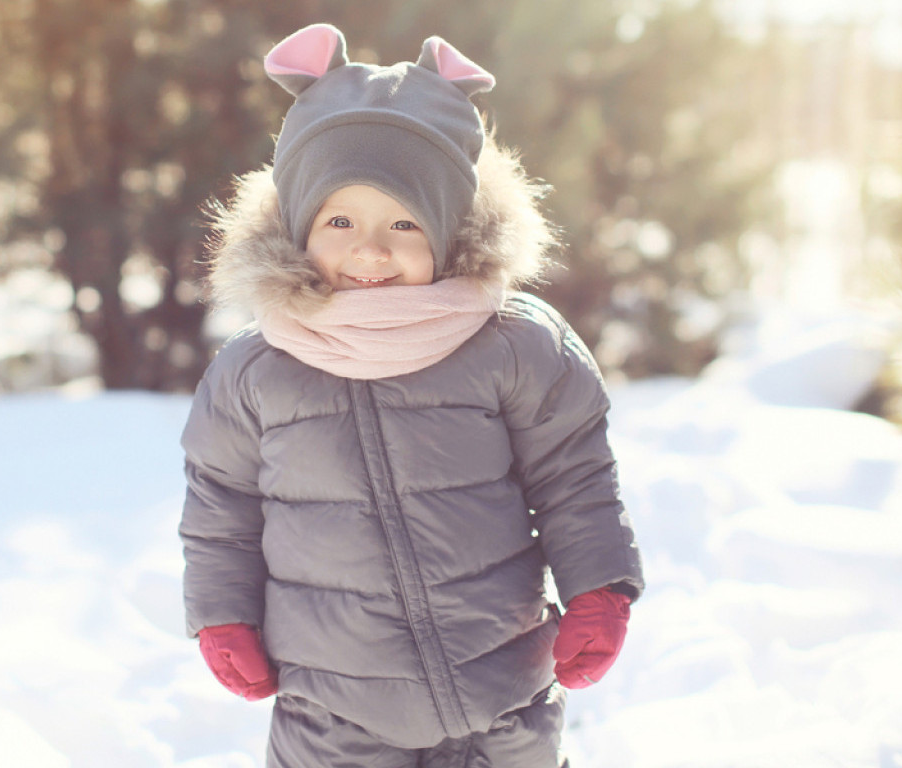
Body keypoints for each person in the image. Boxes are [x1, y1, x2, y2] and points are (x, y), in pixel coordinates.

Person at [179, 23, 644, 768]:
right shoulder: (255, 371)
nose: (371, 249)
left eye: (404, 222)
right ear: (297, 226)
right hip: (332, 703)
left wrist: (599, 589)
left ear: (450, 230)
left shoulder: (512, 344)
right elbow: (221, 509)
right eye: (339, 221)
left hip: (503, 687)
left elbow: (575, 478)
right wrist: (222, 614)